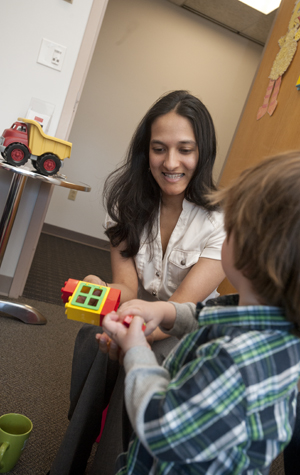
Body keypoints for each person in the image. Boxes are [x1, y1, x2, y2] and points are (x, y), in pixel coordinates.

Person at [48, 90, 225, 475]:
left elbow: (175, 311)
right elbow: (127, 288)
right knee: (95, 343)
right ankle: (69, 461)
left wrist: (130, 339)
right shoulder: (130, 206)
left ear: (203, 152)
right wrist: (104, 295)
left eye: (185, 149)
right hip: (141, 317)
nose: (171, 162)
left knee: (135, 359)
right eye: (159, 149)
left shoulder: (219, 222)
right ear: (146, 152)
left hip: (186, 330)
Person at [101, 151, 300, 475]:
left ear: (252, 254)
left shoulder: (232, 362)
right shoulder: (271, 321)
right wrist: (164, 312)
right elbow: (205, 315)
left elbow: (160, 423)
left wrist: (135, 351)